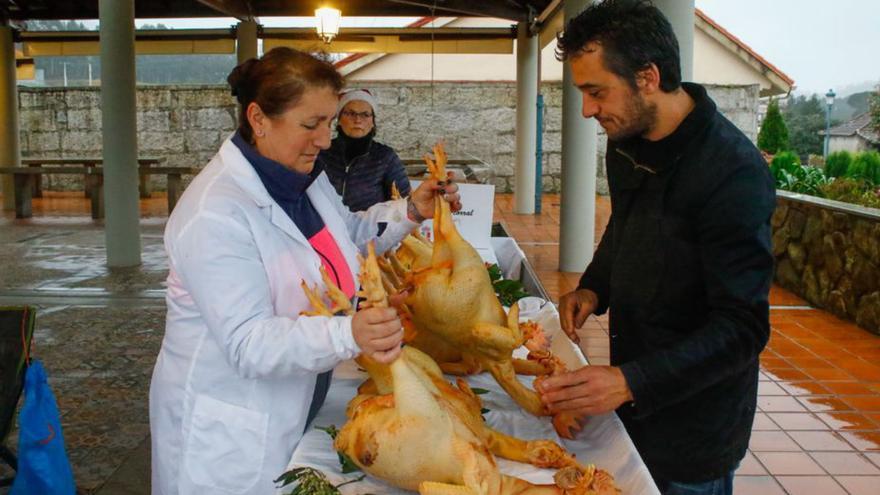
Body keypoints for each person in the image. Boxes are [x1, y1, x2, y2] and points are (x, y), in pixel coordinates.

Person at [149, 47, 460, 495]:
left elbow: (345, 236)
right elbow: (249, 343)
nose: (326, 140)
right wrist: (348, 333)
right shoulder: (213, 214)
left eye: (329, 123)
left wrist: (411, 210)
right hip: (230, 426)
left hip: (297, 399)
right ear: (258, 119)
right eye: (310, 125)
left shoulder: (303, 178)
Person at [536, 1, 775, 494]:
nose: (587, 110)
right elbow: (625, 225)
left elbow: (742, 327)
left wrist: (630, 381)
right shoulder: (627, 141)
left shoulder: (733, 172)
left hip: (696, 427)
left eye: (596, 92)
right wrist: (594, 289)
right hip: (635, 395)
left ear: (648, 77)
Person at [316, 88, 412, 212]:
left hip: (370, 229)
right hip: (325, 228)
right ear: (338, 120)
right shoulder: (322, 153)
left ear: (372, 122)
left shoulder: (385, 157)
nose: (357, 120)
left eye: (365, 114)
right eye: (350, 113)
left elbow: (404, 200)